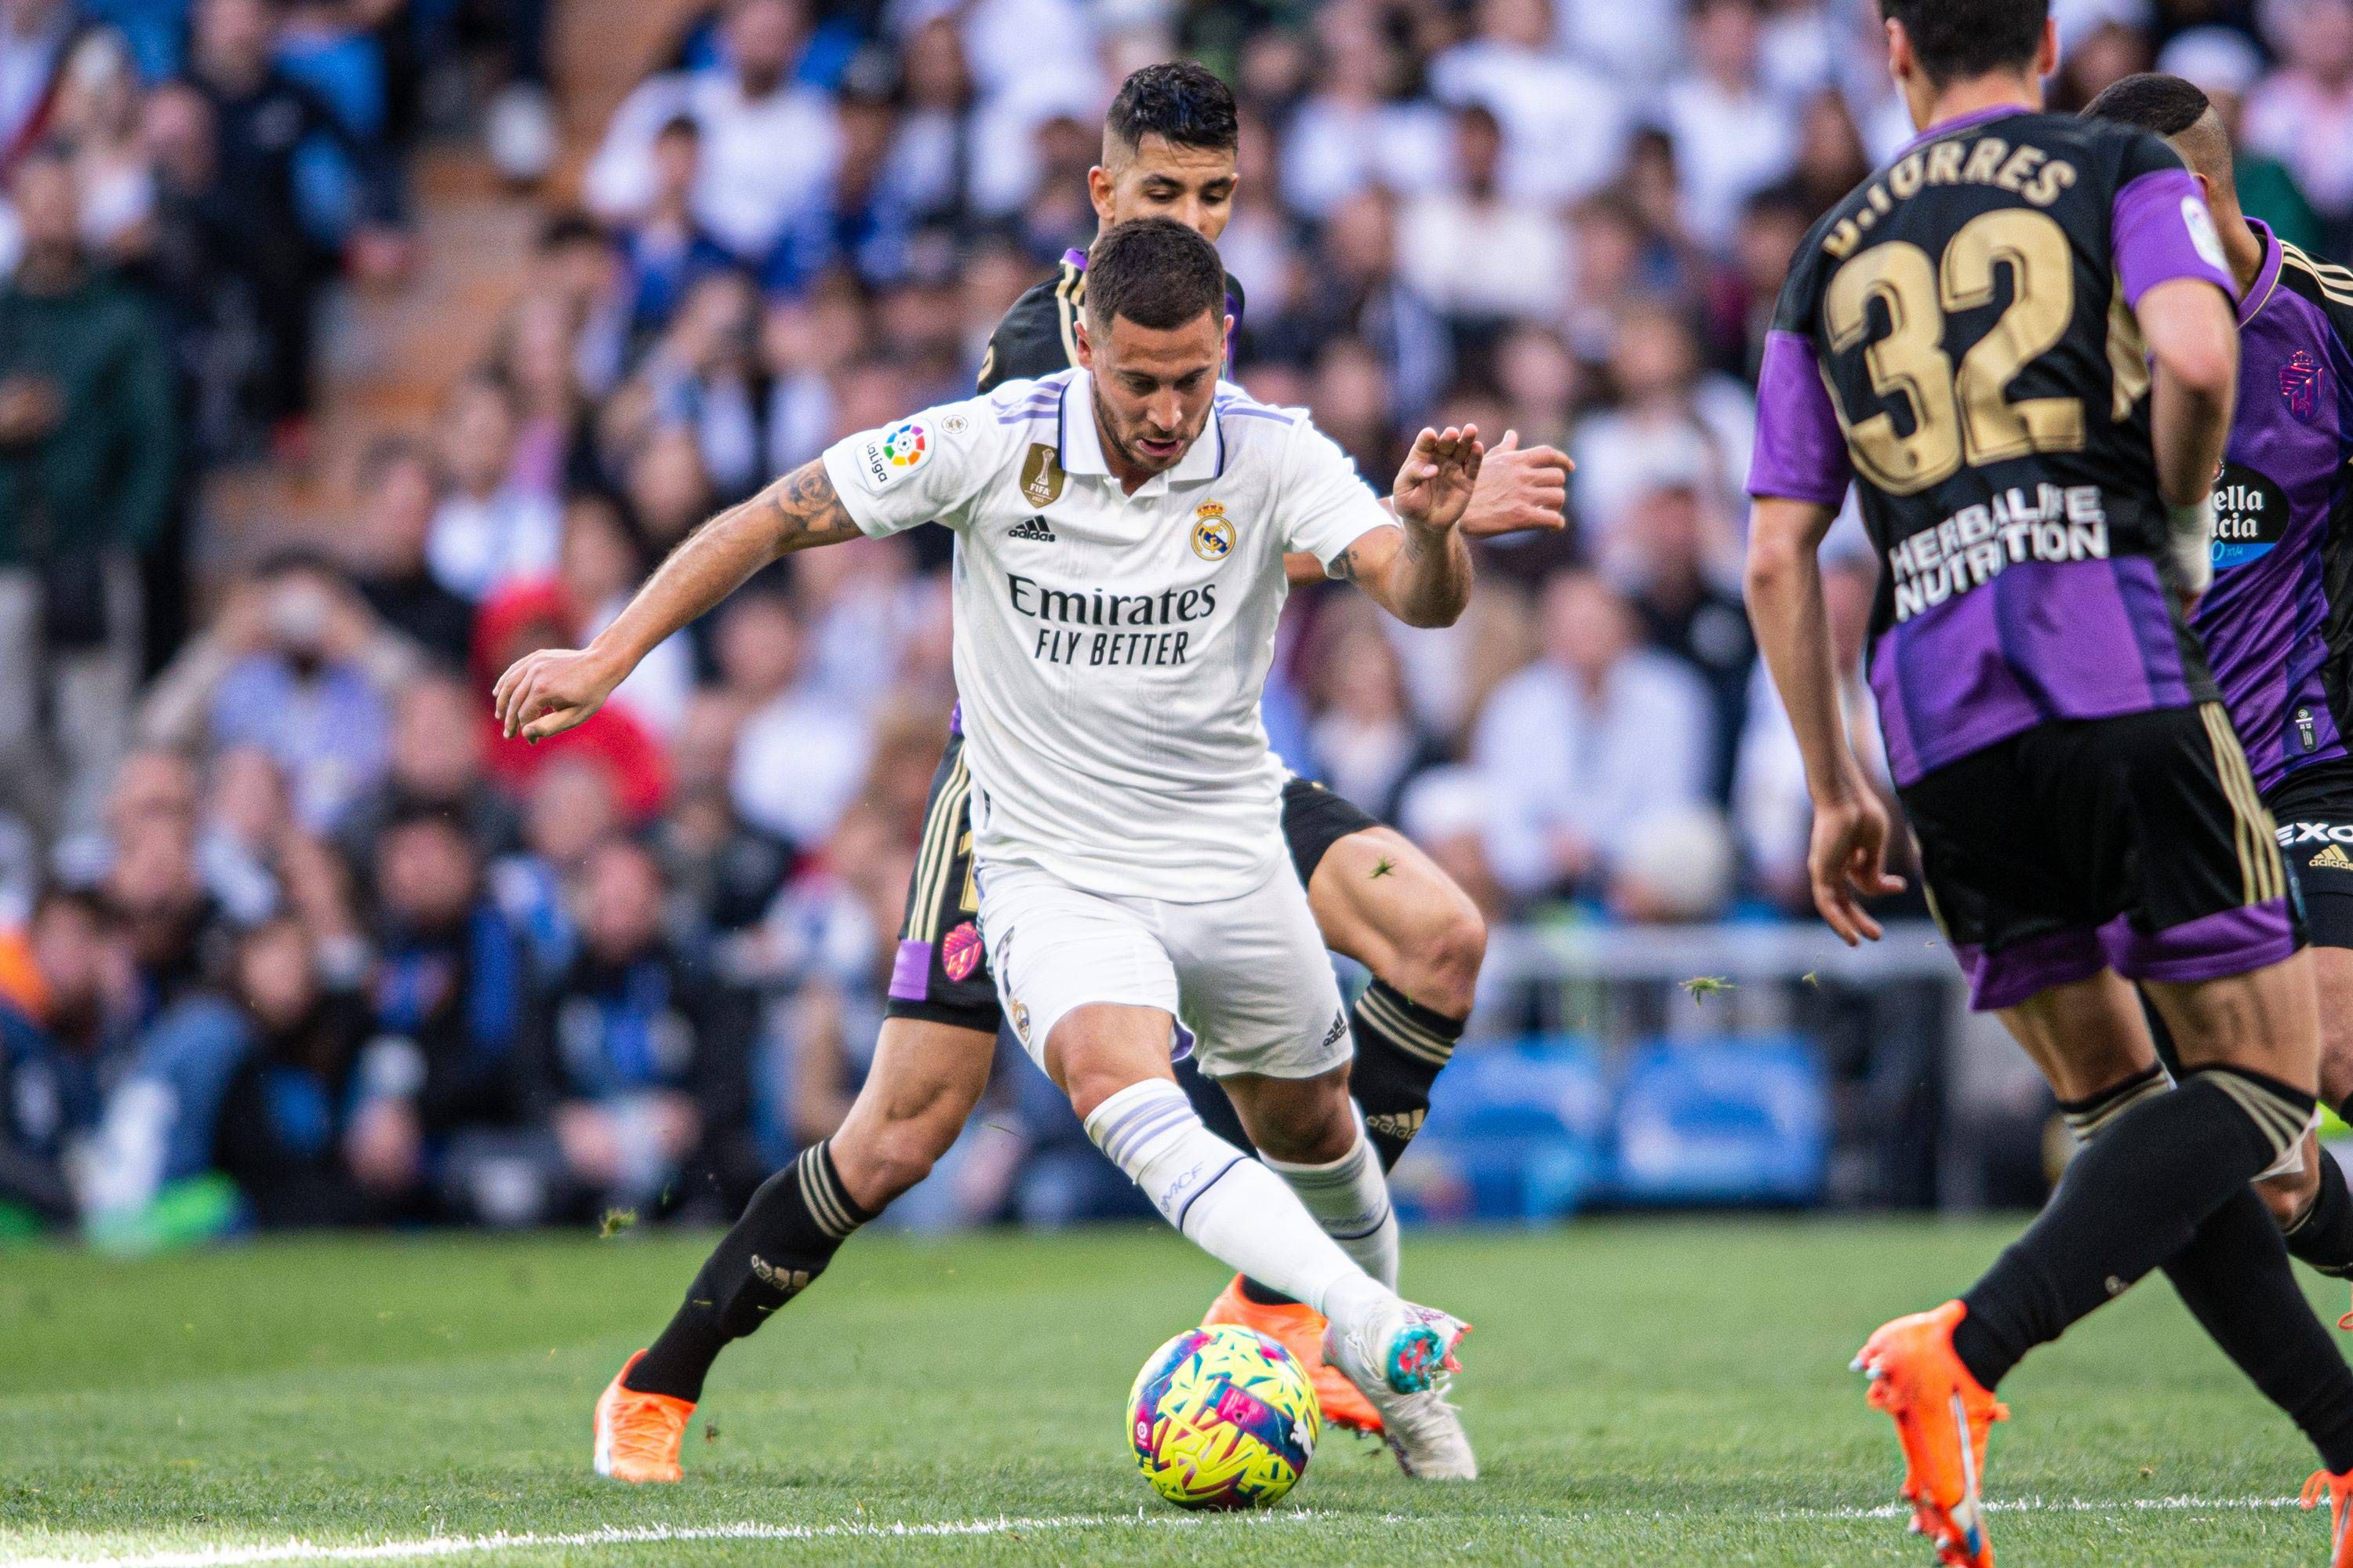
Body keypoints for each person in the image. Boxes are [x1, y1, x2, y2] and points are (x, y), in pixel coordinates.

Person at [500, 216, 1490, 1485]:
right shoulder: (989, 438)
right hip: (1047, 851)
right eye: (1139, 381)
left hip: (1227, 839)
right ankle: (1358, 1323)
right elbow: (771, 516)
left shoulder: (1270, 446)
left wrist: (1438, 535)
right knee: (1023, 1097)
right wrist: (608, 658)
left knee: (1313, 1120)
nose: (1169, 410)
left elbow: (1409, 591)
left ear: (1223, 342)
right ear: (1085, 341)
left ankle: (1370, 1356)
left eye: (1192, 377)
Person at [884, 61, 1569, 1444]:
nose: (1196, 219)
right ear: (1103, 194)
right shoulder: (1042, 347)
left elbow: (1252, 519)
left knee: (1436, 945)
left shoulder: (1223, 320)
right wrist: (1386, 531)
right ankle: (664, 1376)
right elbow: (1157, 545)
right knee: (910, 1123)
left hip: (1207, 760)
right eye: (1166, 192)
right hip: (1054, 776)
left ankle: (1299, 1305)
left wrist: (1413, 533)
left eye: (1217, 194)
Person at [1744, 5, 2353, 1563]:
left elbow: (1773, 552)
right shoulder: (2109, 167)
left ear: (1893, 49)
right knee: (2268, 1083)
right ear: (2049, 34)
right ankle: (1970, 1346)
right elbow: (2202, 351)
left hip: (1934, 715)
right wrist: (2176, 511)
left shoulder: (1827, 251)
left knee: (2131, 1114)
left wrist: (1832, 784)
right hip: (2111, 660)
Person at [2082, 75, 2353, 1297]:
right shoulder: (2087, 356)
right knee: (2268, 1172)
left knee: (2336, 1042)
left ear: (2188, 197)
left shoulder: (2330, 321)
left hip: (2317, 751)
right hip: (2177, 789)